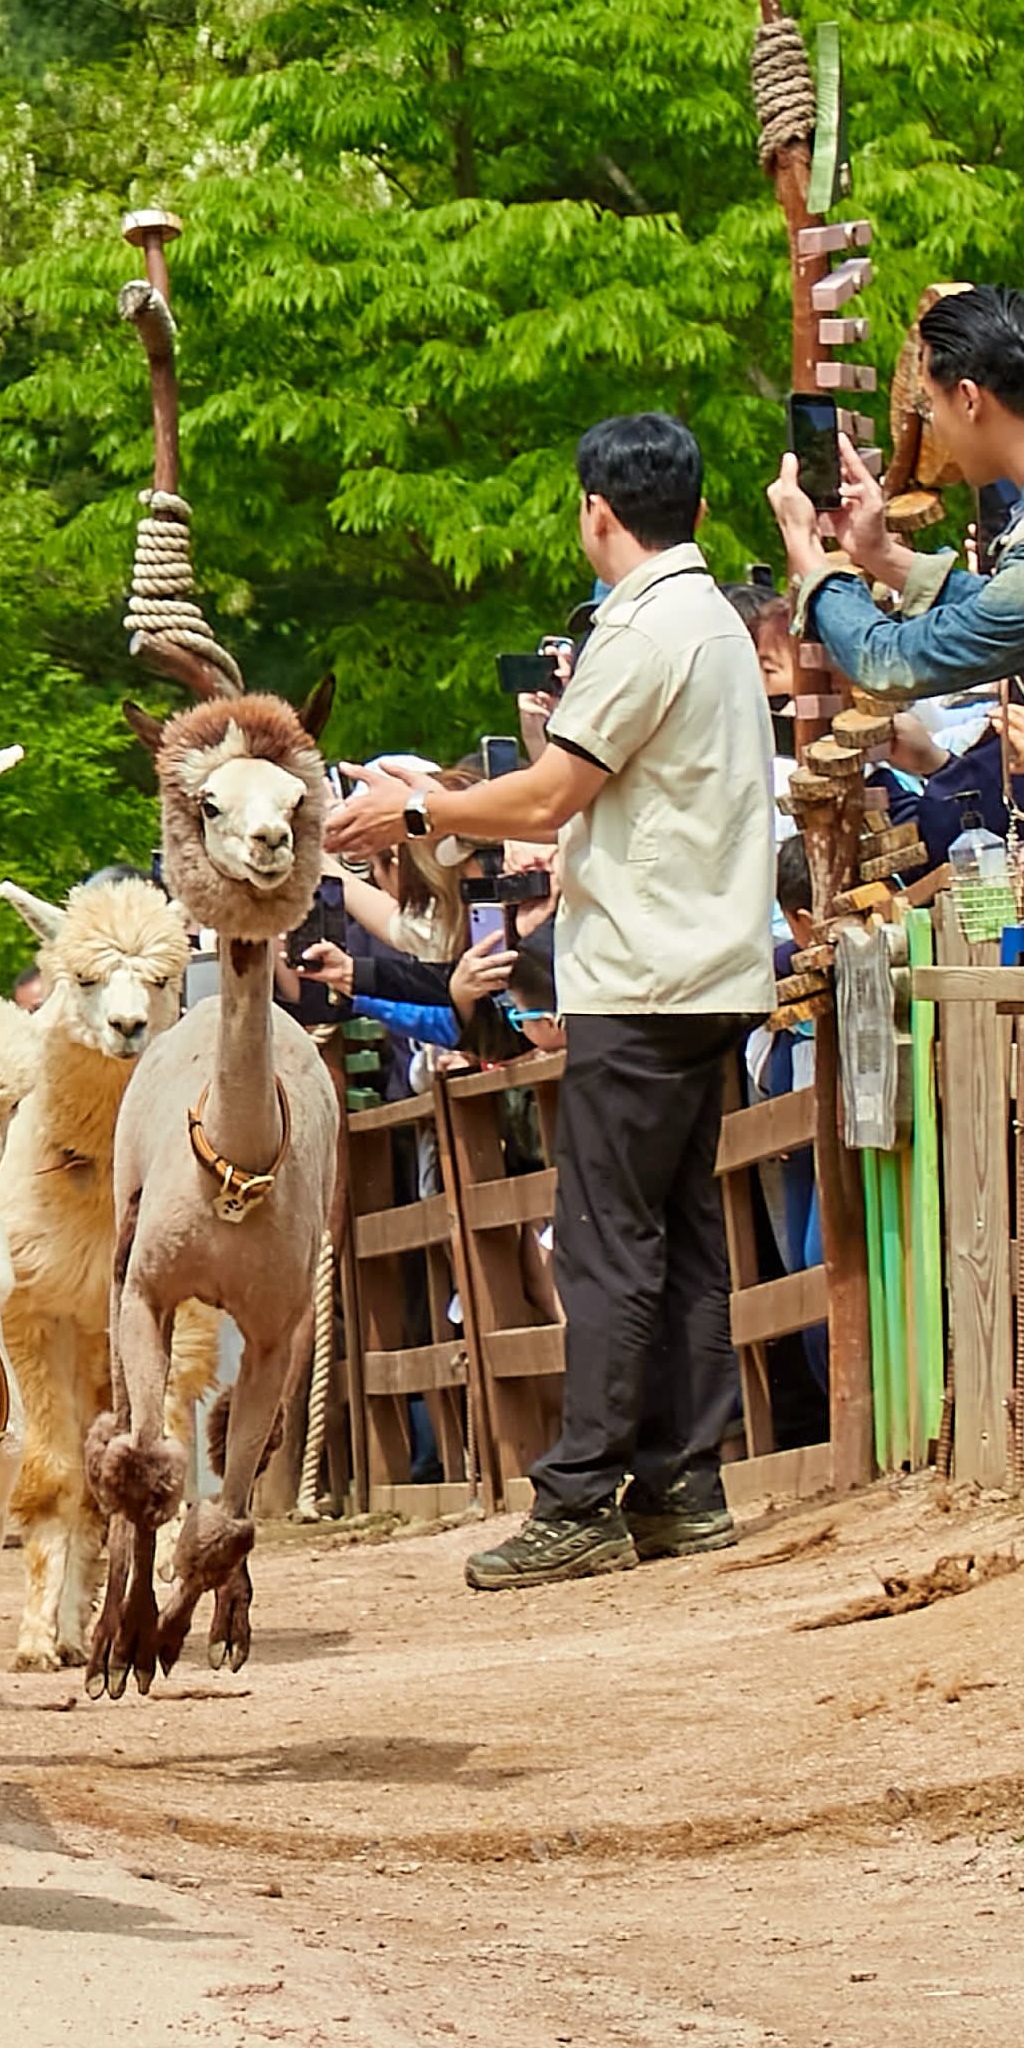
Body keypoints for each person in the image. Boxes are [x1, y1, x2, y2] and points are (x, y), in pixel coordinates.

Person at [332, 412, 775, 1587]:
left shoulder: (647, 626)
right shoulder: (714, 620)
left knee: (603, 1241)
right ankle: (684, 1481)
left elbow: (546, 801)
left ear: (596, 509)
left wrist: (414, 813)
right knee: (679, 1235)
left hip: (645, 976)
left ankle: (579, 1493)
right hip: (710, 969)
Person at [766, 285, 1024, 710]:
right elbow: (1001, 605)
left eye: (929, 407)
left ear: (968, 398)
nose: (934, 427)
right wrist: (879, 553)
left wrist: (809, 557)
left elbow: (888, 662)